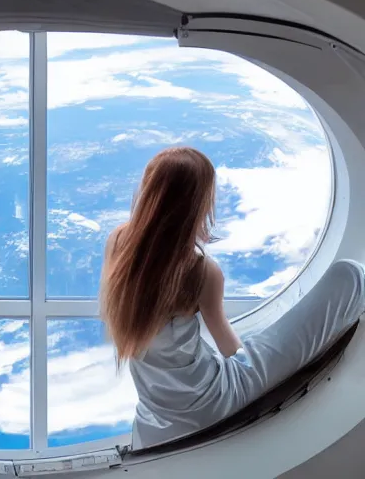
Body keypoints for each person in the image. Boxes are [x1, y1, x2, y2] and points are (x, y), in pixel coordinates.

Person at [99, 146, 365, 450]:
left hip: (157, 414)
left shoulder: (118, 244)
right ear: (197, 204)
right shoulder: (201, 271)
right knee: (351, 276)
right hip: (214, 404)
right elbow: (229, 347)